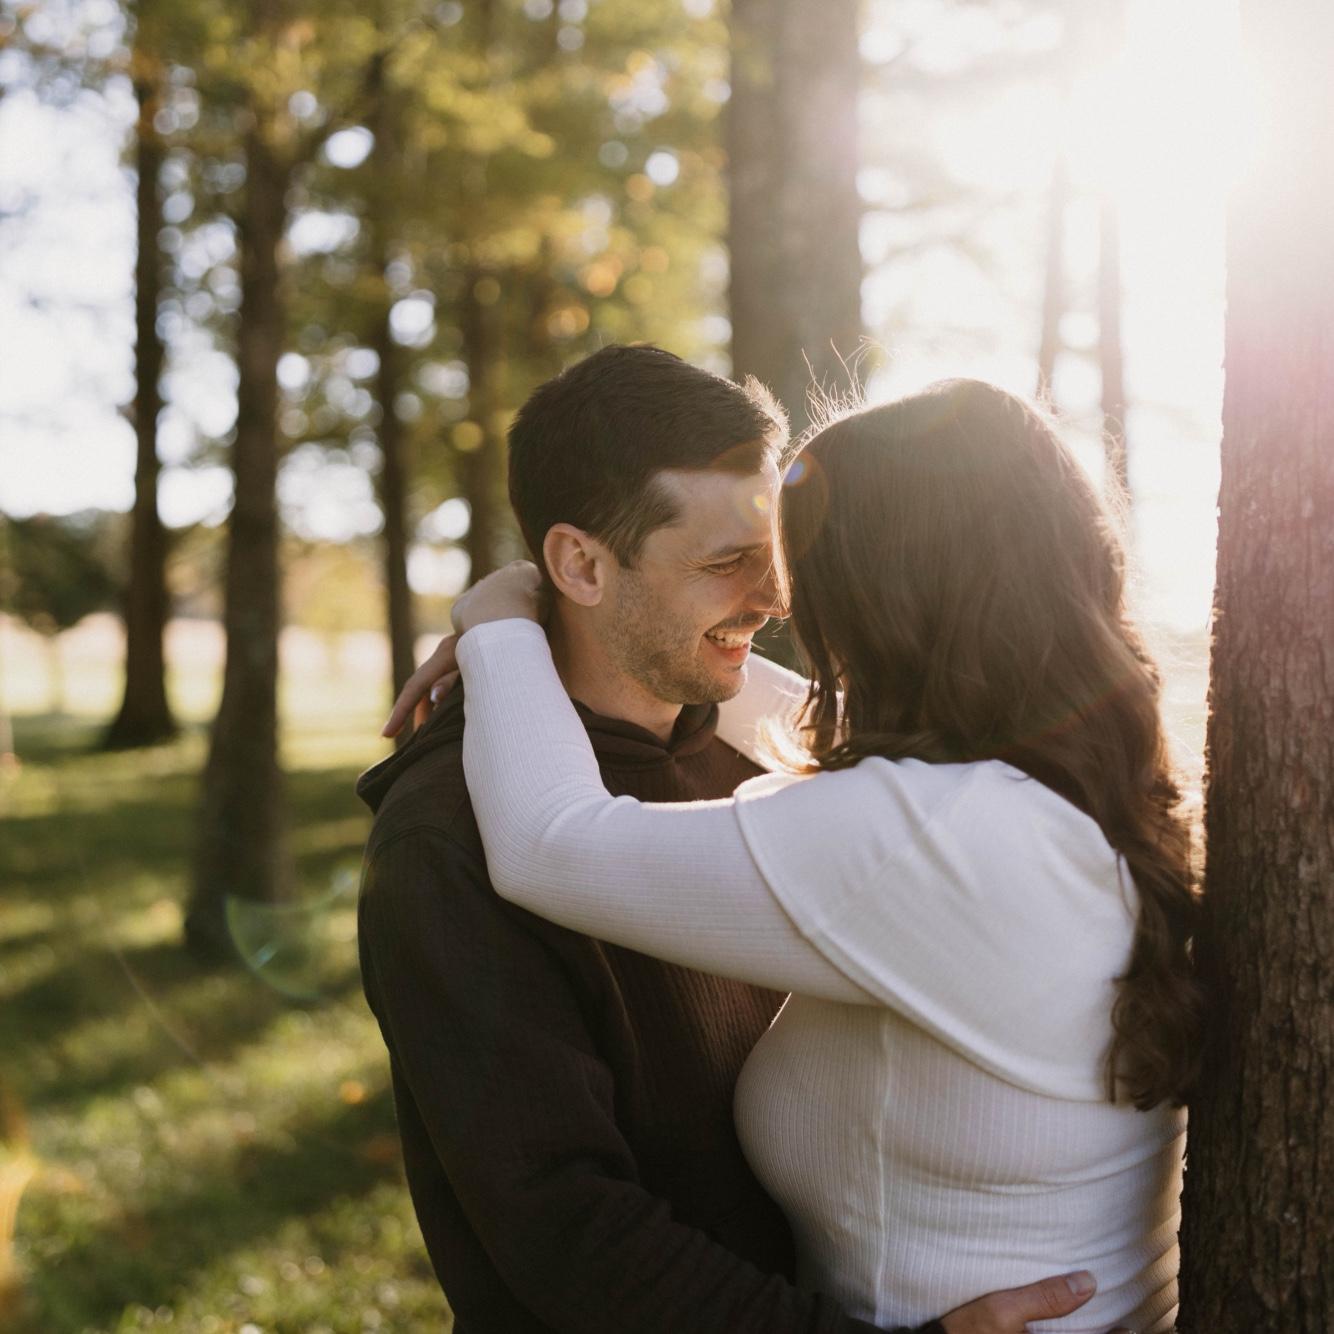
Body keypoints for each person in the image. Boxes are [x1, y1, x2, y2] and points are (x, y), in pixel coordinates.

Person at [393, 374, 1199, 1333]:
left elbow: (545, 840)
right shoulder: (1059, 780)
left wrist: (502, 620)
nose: (781, 596)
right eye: (738, 558)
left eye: (797, 558)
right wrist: (573, 612)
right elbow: (823, 738)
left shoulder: (920, 837)